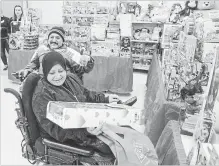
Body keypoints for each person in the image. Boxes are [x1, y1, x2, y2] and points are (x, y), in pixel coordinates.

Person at [32, 51, 120, 155]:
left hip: (85, 124)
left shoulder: (71, 78)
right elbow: (54, 129)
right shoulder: (42, 95)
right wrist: (85, 132)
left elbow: (86, 94)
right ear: (45, 72)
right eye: (52, 73)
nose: (58, 76)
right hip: (67, 136)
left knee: (119, 133)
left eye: (61, 71)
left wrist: (105, 99)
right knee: (113, 148)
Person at [18, 26, 94, 81]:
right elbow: (32, 64)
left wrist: (88, 60)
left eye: (57, 38)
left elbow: (84, 69)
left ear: (63, 41)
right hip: (42, 84)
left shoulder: (70, 52)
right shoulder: (41, 49)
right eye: (51, 37)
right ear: (48, 39)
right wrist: (26, 71)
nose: (54, 40)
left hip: (62, 86)